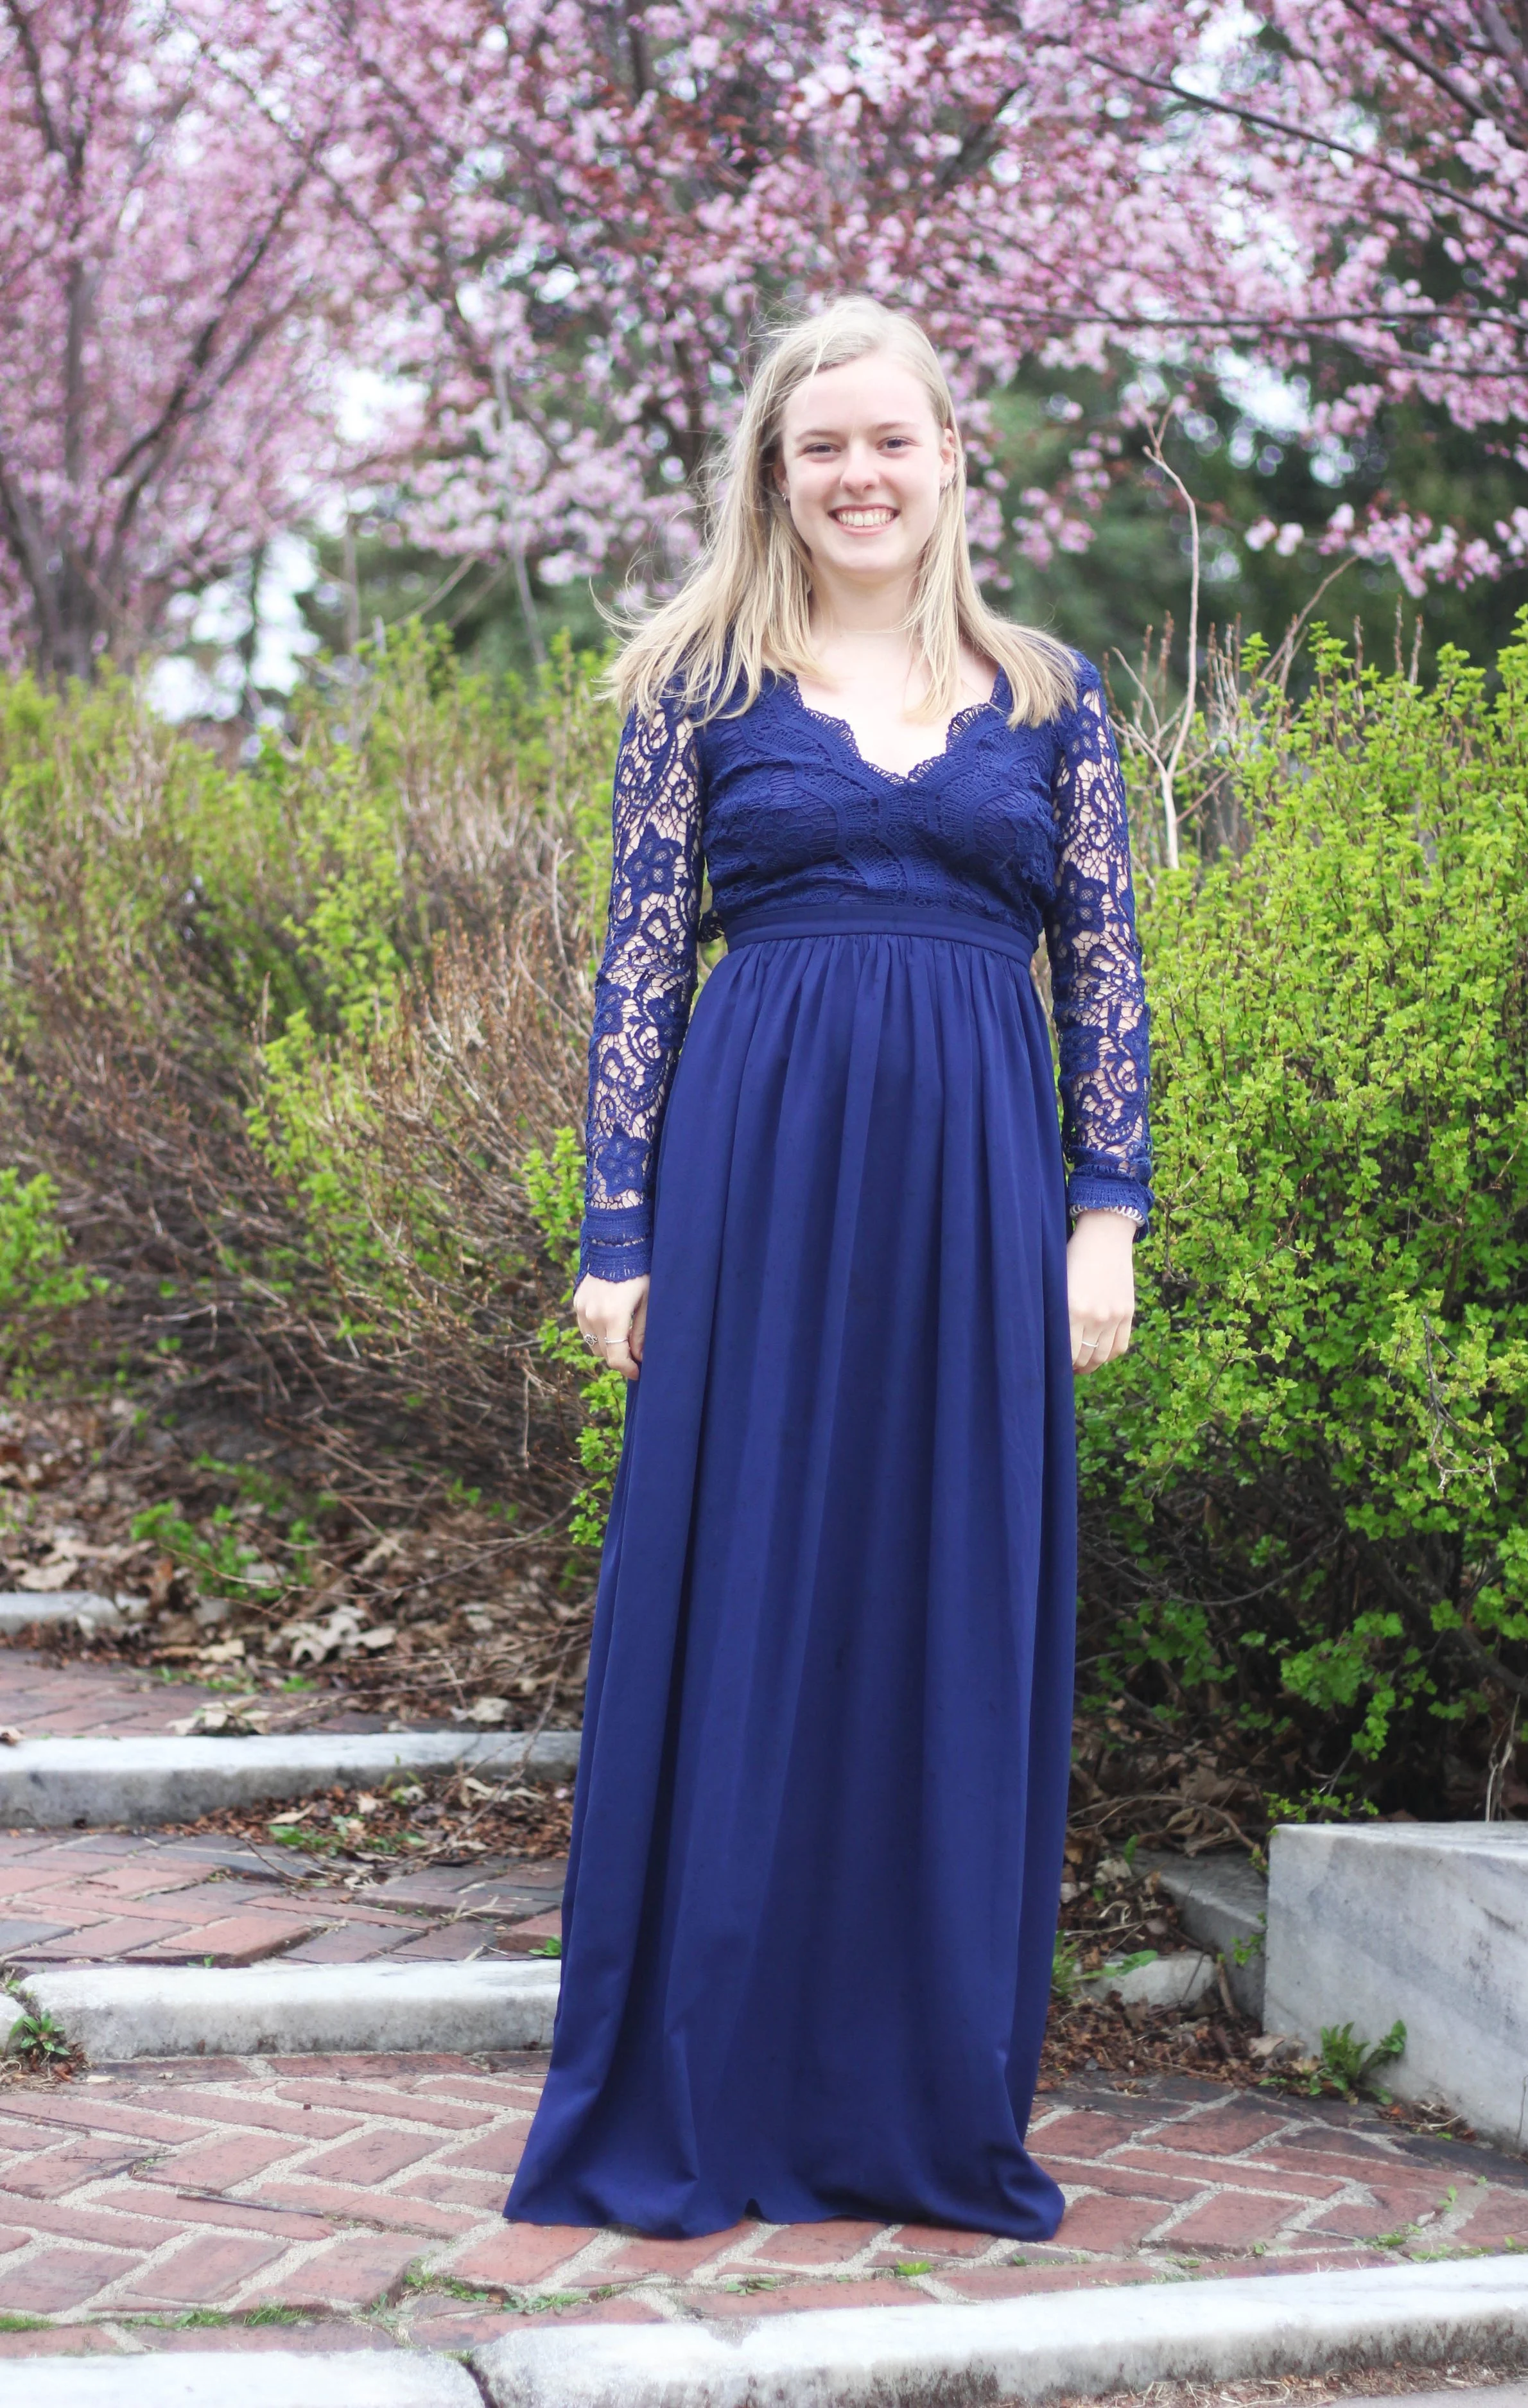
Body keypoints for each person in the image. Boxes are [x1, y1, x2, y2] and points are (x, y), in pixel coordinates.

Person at [505, 295, 1152, 2244]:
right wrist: (616, 1231)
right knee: (751, 1590)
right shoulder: (692, 684)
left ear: (954, 456)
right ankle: (705, 2076)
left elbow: (1106, 972)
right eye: (819, 448)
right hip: (757, 1185)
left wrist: (1100, 1215)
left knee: (943, 1603)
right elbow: (636, 965)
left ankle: (912, 2103)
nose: (857, 475)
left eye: (891, 440)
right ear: (772, 476)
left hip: (976, 1194)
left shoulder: (1049, 693)